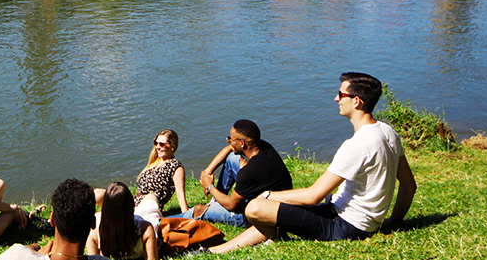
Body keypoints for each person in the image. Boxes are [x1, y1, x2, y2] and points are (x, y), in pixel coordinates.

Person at [208, 73, 417, 252]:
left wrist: (268, 195)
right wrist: (392, 222)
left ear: (356, 102)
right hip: (347, 216)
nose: (336, 98)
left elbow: (313, 196)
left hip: (345, 226)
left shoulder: (357, 144)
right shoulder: (388, 132)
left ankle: (269, 238)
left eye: (341, 94)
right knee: (267, 209)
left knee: (255, 207)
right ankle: (215, 250)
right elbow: (409, 185)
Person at [174, 119, 291, 227]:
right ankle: (216, 202)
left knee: (199, 210)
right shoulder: (263, 146)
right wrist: (208, 171)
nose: (229, 142)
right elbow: (230, 149)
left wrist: (209, 186)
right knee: (231, 158)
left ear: (242, 143)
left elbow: (231, 205)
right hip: (273, 200)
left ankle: (164, 221)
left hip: (260, 215)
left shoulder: (250, 172)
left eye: (231, 139)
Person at [103, 129, 186, 225]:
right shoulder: (154, 162)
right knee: (98, 193)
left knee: (150, 197)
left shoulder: (175, 167)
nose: (157, 147)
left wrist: (187, 217)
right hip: (135, 202)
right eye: (156, 143)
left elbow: (181, 196)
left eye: (162, 144)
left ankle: (120, 222)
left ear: (172, 147)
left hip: (150, 204)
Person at [86, 182, 157, 260]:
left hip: (116, 220)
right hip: (142, 217)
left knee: (98, 194)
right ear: (131, 206)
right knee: (151, 196)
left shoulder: (94, 232)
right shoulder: (145, 229)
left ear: (104, 209)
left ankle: (113, 202)